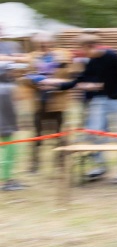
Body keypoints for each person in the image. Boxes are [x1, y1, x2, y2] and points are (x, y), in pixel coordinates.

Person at [50, 33, 117, 181]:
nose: (81, 52)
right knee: (94, 131)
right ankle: (99, 165)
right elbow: (81, 79)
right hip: (101, 98)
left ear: (91, 46)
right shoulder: (92, 61)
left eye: (81, 49)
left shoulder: (112, 56)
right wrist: (59, 85)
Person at [22, 32, 73, 172]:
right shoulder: (32, 57)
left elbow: (70, 78)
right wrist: (35, 83)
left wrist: (55, 84)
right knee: (37, 134)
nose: (43, 47)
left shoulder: (63, 55)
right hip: (39, 101)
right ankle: (34, 164)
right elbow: (25, 78)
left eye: (45, 44)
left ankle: (60, 163)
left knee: (60, 133)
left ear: (52, 43)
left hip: (57, 101)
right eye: (40, 45)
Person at [0, 63, 23, 191]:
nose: (12, 74)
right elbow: (11, 109)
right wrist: (15, 124)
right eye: (9, 71)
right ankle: (5, 182)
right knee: (9, 154)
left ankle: (7, 179)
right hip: (5, 126)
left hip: (4, 125)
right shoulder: (8, 88)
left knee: (6, 153)